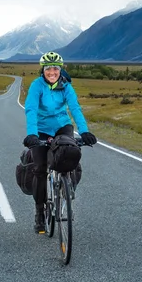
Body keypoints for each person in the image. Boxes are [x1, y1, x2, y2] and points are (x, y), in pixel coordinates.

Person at [23, 51, 97, 233]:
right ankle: (40, 213)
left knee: (71, 156)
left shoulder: (66, 86)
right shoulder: (36, 86)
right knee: (40, 169)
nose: (52, 72)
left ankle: (66, 186)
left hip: (62, 127)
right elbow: (31, 109)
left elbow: (75, 108)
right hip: (41, 129)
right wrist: (32, 134)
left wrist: (85, 131)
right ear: (43, 70)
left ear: (60, 70)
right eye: (48, 69)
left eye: (55, 68)